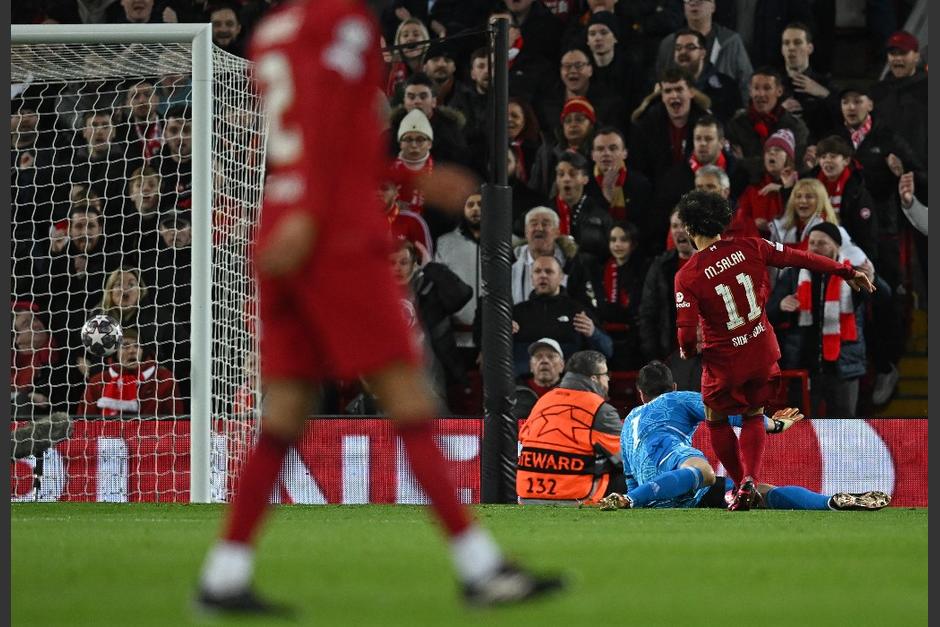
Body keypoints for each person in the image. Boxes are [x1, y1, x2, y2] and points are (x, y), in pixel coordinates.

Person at [197, 1, 562, 614]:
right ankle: (481, 571)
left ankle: (223, 576)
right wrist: (362, 198)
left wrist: (407, 175)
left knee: (283, 414)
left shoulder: (271, 33)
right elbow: (329, 131)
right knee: (411, 402)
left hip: (281, 221)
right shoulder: (343, 21)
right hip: (333, 233)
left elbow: (310, 135)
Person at [673, 190, 874, 510]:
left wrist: (686, 351)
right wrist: (845, 271)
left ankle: (739, 483)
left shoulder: (687, 275)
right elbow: (801, 257)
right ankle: (752, 477)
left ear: (688, 228)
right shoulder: (751, 245)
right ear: (722, 222)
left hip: (724, 361)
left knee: (716, 418)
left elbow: (685, 332)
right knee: (754, 413)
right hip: (762, 352)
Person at [596, 360, 890, 511]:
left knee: (748, 492)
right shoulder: (677, 399)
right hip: (673, 471)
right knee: (706, 473)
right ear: (672, 387)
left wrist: (638, 497)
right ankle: (824, 502)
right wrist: (775, 425)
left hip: (658, 493)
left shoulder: (630, 420)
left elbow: (631, 472)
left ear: (640, 393)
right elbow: (734, 414)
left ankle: (630, 500)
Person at [768, 223, 869, 417]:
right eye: (812, 242)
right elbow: (768, 313)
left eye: (822, 243)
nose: (815, 247)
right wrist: (781, 305)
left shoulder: (852, 275)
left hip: (843, 366)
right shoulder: (793, 274)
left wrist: (872, 277)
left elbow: (878, 297)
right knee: (803, 431)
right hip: (804, 366)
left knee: (844, 429)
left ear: (837, 247)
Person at [516, 350, 624, 505]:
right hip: (575, 498)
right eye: (606, 374)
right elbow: (625, 459)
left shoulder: (543, 401)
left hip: (527, 496)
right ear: (595, 379)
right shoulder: (600, 409)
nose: (608, 379)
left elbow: (522, 442)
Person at [512, 255, 613, 376]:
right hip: (524, 384)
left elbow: (608, 351)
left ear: (561, 277)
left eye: (549, 271)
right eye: (537, 271)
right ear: (532, 278)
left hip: (568, 383)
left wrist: (593, 333)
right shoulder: (516, 313)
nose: (542, 275)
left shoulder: (578, 311)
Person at [725, 67, 809, 183]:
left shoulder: (795, 126)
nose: (760, 94)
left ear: (779, 91)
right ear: (750, 91)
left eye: (767, 88)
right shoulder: (736, 125)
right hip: (745, 188)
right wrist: (776, 163)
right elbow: (733, 164)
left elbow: (796, 164)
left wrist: (746, 161)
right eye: (756, 88)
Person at [78, 328, 183, 417]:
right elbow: (84, 424)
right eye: (125, 346)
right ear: (115, 352)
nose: (132, 350)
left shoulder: (163, 379)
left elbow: (175, 422)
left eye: (137, 346)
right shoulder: (97, 382)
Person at [512, 337, 565, 424]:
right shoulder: (513, 392)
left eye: (551, 356)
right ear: (530, 366)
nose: (544, 361)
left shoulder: (572, 392)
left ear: (562, 365)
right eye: (538, 356)